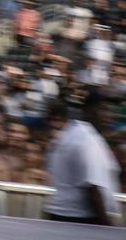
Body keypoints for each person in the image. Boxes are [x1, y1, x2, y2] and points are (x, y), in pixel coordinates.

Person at [45, 94, 122, 225]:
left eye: (110, 110)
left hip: (63, 217)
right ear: (88, 111)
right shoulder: (87, 139)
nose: (109, 115)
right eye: (103, 109)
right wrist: (108, 227)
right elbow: (92, 190)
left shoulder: (74, 133)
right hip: (78, 220)